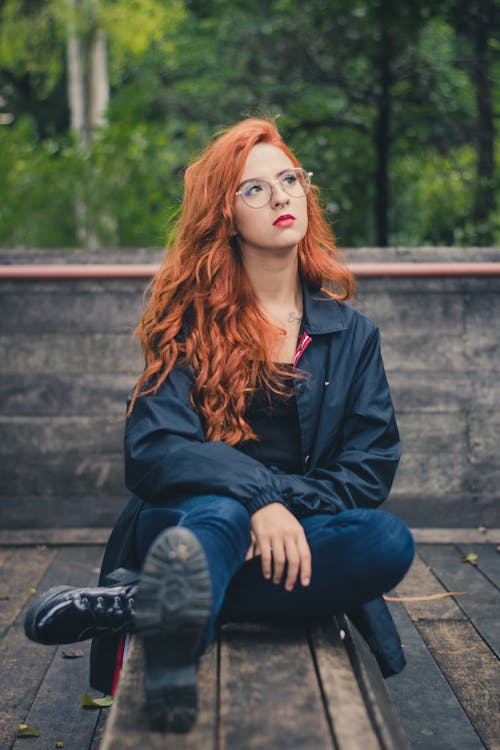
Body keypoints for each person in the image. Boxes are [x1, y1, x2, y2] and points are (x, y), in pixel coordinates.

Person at [24, 117, 415, 734]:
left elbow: (369, 470)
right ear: (225, 215)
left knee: (388, 541)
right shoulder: (188, 321)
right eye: (255, 189)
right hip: (185, 522)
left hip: (299, 532)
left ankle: (150, 603)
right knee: (221, 513)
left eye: (289, 179)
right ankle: (177, 630)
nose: (282, 195)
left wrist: (277, 505)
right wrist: (253, 498)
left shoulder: (352, 334)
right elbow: (154, 448)